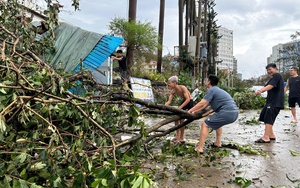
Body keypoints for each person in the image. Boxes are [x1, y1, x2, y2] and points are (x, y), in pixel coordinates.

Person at [188, 74, 238, 154]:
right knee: (218, 123)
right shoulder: (217, 90)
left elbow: (202, 103)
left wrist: (189, 111)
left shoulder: (211, 90)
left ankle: (200, 148)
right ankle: (217, 143)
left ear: (208, 82)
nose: (205, 82)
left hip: (226, 112)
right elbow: (205, 105)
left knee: (205, 124)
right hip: (234, 113)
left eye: (206, 80)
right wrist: (195, 111)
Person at [254, 63, 284, 143]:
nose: (268, 71)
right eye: (267, 70)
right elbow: (267, 86)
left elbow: (270, 86)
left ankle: (266, 137)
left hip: (275, 102)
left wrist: (260, 91)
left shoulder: (278, 76)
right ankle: (271, 135)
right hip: (270, 102)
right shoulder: (273, 78)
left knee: (268, 118)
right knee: (264, 116)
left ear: (275, 68)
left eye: (270, 69)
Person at [165, 76, 194, 143]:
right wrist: (165, 105)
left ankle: (182, 137)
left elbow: (188, 99)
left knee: (181, 119)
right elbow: (169, 101)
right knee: (176, 118)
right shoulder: (173, 91)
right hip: (184, 101)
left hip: (189, 102)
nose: (168, 85)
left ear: (174, 83)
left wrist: (180, 108)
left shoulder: (182, 87)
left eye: (169, 83)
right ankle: (178, 135)